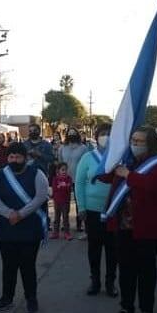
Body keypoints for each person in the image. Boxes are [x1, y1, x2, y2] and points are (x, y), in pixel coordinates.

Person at [100, 127, 157, 313]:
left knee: (147, 270)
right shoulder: (127, 160)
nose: (135, 144)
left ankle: (147, 309)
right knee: (126, 269)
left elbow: (152, 186)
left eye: (140, 141)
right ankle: (126, 305)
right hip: (123, 226)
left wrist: (128, 175)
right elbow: (105, 177)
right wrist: (111, 157)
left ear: (151, 143)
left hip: (146, 226)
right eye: (133, 140)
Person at [0, 142, 48, 313]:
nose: (14, 160)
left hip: (29, 228)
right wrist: (9, 213)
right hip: (7, 228)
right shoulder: (0, 175)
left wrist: (21, 214)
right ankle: (7, 297)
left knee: (28, 266)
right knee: (8, 265)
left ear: (25, 158)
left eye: (18, 157)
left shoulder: (37, 174)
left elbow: (40, 197)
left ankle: (31, 298)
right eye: (11, 156)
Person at [75, 124, 117, 296]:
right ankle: (95, 281)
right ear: (96, 136)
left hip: (114, 210)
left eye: (109, 134)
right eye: (102, 134)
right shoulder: (87, 157)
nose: (105, 137)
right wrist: (82, 207)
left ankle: (110, 283)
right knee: (94, 248)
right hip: (92, 211)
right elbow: (79, 183)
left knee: (113, 249)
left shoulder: (118, 158)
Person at [58, 127, 88, 234]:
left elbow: (86, 163)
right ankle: (64, 224)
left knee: (78, 201)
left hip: (78, 178)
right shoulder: (62, 148)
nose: (71, 135)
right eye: (69, 133)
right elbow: (60, 162)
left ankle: (79, 224)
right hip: (64, 178)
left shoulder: (83, 148)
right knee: (64, 202)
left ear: (77, 135)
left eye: (73, 133)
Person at [50, 162, 73, 240]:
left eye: (66, 170)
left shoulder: (69, 178)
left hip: (66, 201)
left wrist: (62, 186)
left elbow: (69, 189)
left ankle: (67, 233)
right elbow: (55, 189)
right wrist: (63, 186)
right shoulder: (55, 179)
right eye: (62, 170)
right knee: (56, 218)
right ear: (58, 171)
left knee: (65, 218)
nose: (64, 171)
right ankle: (55, 233)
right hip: (57, 201)